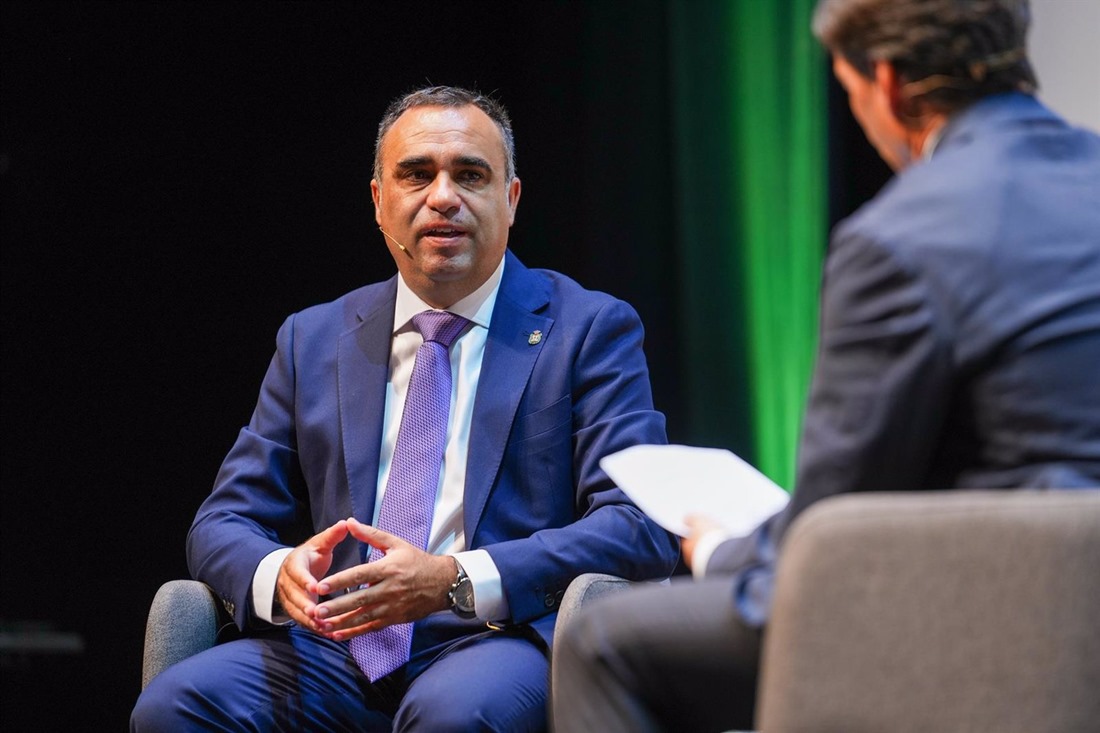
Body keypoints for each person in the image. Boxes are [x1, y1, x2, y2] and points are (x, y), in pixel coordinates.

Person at [552, 1, 1100, 730]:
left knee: (600, 635)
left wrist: (716, 548)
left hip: (1010, 617)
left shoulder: (899, 240)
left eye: (848, 92)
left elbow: (827, 532)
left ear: (888, 83)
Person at [131, 85, 679, 732]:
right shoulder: (313, 339)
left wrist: (453, 577)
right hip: (336, 647)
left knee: (450, 715)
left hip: (493, 635)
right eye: (416, 174)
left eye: (470, 175)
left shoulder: (587, 330)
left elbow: (637, 525)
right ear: (379, 202)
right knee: (177, 706)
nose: (442, 196)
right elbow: (224, 519)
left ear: (511, 200)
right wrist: (281, 574)